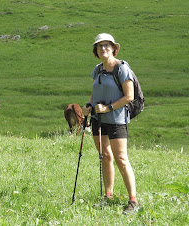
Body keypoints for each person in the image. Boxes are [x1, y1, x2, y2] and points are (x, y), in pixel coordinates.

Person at [82, 33, 140, 214]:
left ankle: (133, 201)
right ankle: (108, 196)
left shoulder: (122, 68)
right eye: (99, 46)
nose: (103, 49)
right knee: (105, 156)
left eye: (107, 45)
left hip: (117, 120)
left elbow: (129, 96)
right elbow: (95, 91)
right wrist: (89, 106)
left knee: (121, 159)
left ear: (114, 49)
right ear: (96, 51)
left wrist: (108, 108)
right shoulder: (97, 69)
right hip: (98, 119)